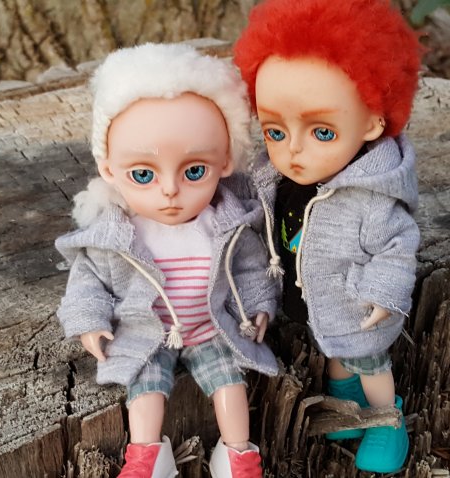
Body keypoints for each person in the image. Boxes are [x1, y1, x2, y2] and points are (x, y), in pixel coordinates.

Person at [55, 42, 278, 478]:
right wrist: (89, 321)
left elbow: (250, 267)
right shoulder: (115, 235)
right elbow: (87, 282)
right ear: (108, 168)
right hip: (148, 334)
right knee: (145, 390)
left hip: (212, 329)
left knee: (230, 383)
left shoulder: (226, 224)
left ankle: (237, 454)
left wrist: (258, 305)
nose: (170, 190)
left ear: (225, 161)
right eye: (143, 174)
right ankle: (146, 456)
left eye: (195, 171)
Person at [234, 0, 422, 473]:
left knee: (371, 367)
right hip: (316, 305)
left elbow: (398, 246)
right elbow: (259, 231)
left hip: (358, 308)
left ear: (374, 121)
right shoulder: (272, 179)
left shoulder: (370, 198)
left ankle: (386, 420)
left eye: (322, 132)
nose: (293, 150)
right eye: (275, 131)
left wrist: (383, 292)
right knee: (335, 358)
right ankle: (347, 407)